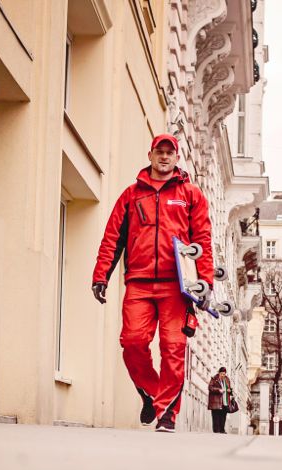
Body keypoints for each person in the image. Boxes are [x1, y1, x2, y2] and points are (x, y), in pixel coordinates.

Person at [91, 134, 214, 433]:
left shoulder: (191, 194)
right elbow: (112, 238)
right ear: (150, 155)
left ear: (176, 157)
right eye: (159, 152)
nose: (164, 157)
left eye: (169, 153)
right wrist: (101, 275)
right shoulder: (131, 195)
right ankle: (151, 392)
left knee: (173, 346)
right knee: (132, 343)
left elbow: (203, 241)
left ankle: (167, 413)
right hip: (139, 282)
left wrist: (205, 282)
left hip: (176, 285)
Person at [208, 367, 234, 434]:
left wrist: (230, 391)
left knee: (223, 416)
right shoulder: (214, 379)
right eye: (222, 374)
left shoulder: (227, 379)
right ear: (219, 373)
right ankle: (216, 430)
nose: (223, 375)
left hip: (225, 401)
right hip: (216, 400)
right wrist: (218, 390)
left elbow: (229, 389)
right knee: (216, 416)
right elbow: (210, 387)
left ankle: (222, 430)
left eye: (224, 374)